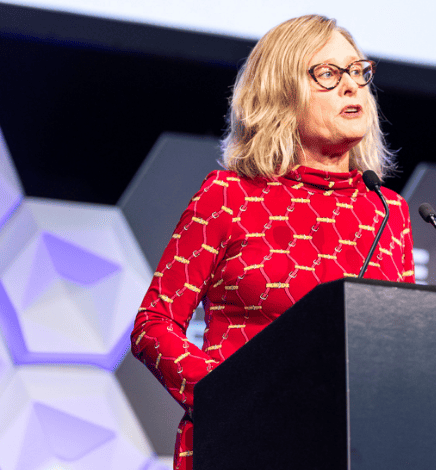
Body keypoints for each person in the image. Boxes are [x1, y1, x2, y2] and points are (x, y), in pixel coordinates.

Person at [130, 15, 415, 470]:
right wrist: (228, 398)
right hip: (241, 447)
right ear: (280, 95)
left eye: (359, 72)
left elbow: (400, 351)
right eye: (327, 74)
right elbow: (154, 322)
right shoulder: (229, 196)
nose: (352, 87)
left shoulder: (389, 213)